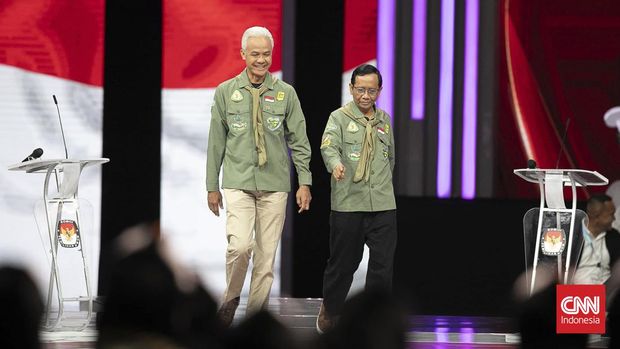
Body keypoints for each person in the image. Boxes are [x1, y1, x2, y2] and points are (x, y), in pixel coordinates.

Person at [206, 26, 312, 327]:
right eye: (255, 54)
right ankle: (229, 299)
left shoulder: (285, 93)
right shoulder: (226, 91)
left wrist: (305, 181)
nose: (261, 60)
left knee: (266, 262)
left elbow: (299, 141)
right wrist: (212, 186)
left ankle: (254, 326)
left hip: (275, 184)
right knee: (239, 246)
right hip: (238, 182)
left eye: (266, 54)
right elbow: (216, 142)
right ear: (243, 55)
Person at [316, 64, 397, 333]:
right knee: (343, 265)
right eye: (360, 89)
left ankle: (375, 319)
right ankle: (331, 309)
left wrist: (382, 186)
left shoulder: (384, 120)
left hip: (383, 205)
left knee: (382, 267)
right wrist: (335, 164)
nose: (365, 95)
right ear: (351, 88)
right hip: (349, 204)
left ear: (379, 91)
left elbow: (391, 160)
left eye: (371, 90)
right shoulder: (338, 118)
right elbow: (328, 146)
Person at [573, 194, 620, 292]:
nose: (614, 219)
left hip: (608, 294)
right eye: (611, 214)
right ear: (595, 216)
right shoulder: (572, 235)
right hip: (576, 294)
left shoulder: (614, 236)